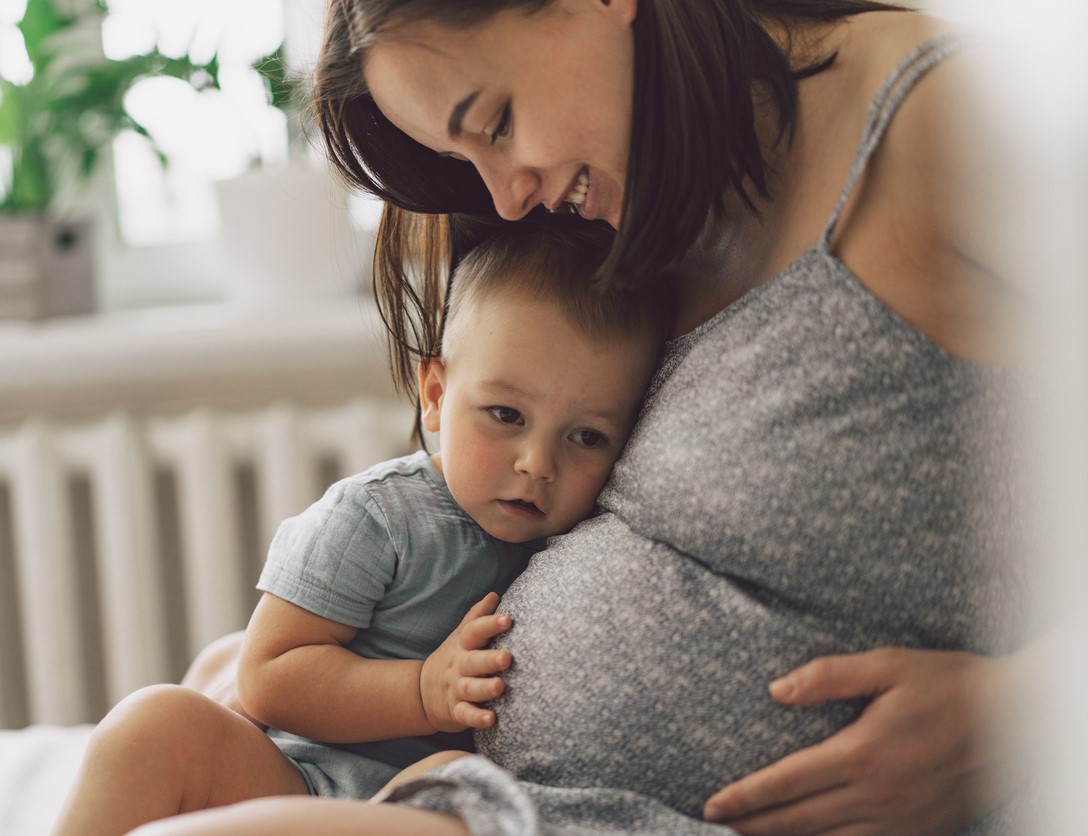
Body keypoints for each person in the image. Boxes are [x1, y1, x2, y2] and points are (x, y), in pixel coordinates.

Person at [126, 0, 1041, 834]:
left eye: (495, 123)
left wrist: (1027, 706)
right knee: (161, 732)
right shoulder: (640, 192)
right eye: (463, 161)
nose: (503, 197)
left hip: (633, 817)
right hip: (478, 783)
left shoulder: (943, 123)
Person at [51, 219, 669, 836]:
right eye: (506, 414)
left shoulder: (589, 540)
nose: (538, 463)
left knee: (459, 774)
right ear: (434, 393)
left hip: (421, 804)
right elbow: (269, 675)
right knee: (156, 722)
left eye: (587, 437)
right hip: (297, 777)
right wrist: (422, 690)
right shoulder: (380, 517)